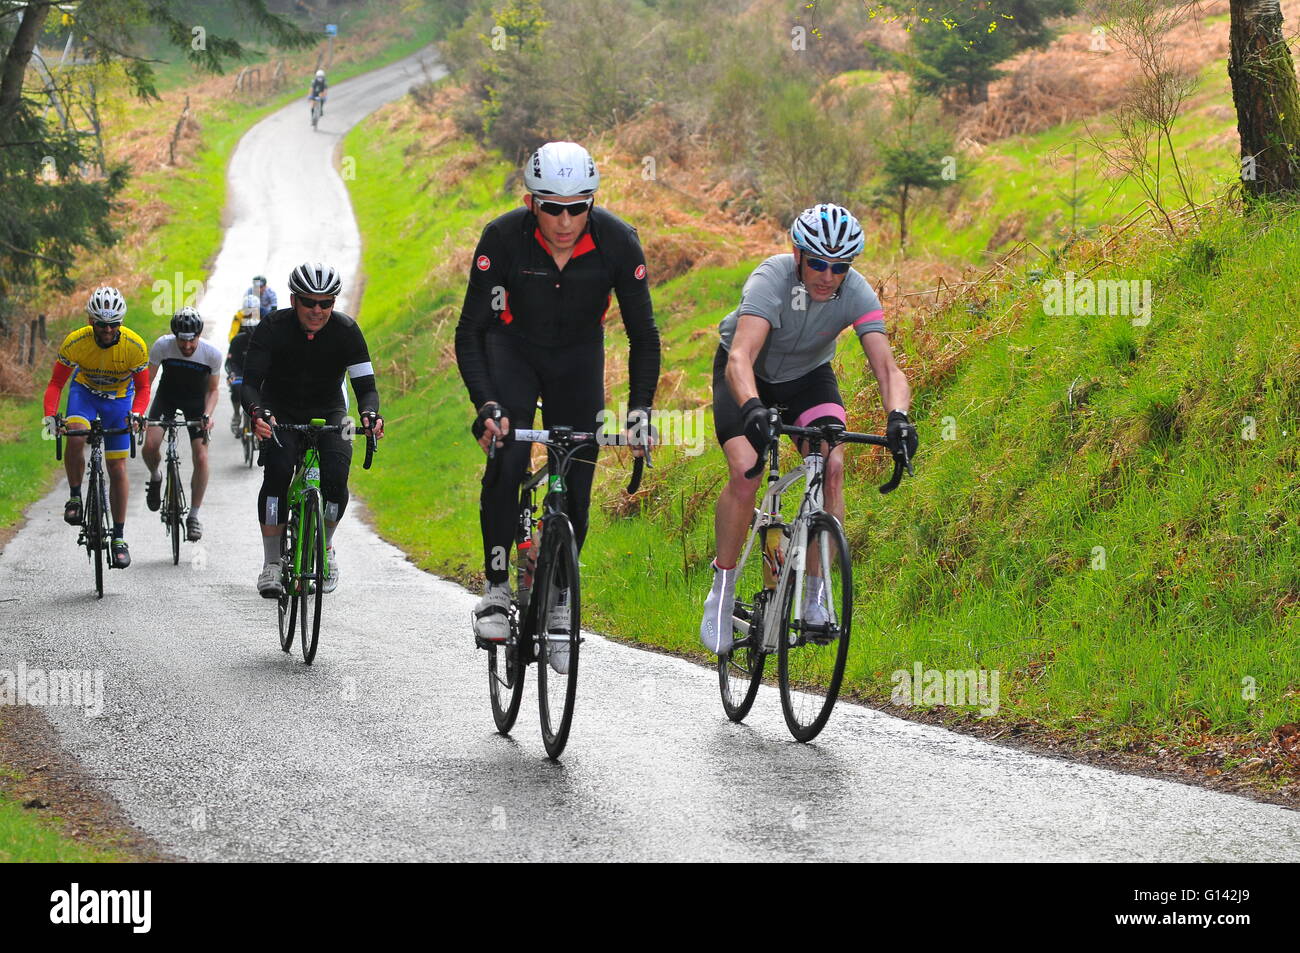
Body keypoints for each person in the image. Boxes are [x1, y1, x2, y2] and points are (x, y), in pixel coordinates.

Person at [454, 141, 661, 672]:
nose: (565, 220)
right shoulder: (501, 239)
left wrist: (640, 410)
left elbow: (644, 335)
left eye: (578, 206)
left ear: (591, 203)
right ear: (531, 203)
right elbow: (470, 330)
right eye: (552, 207)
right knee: (506, 457)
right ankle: (497, 586)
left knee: (579, 475)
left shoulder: (619, 241)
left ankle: (562, 598)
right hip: (512, 351)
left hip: (578, 359)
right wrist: (487, 405)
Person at [698, 203, 917, 654]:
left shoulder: (857, 293)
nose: (827, 276)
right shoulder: (770, 279)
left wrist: (898, 417)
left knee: (832, 464)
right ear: (797, 253)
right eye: (817, 262)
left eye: (839, 267)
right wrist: (754, 406)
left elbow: (888, 370)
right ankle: (720, 596)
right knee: (747, 471)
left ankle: (816, 594)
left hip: (807, 378)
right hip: (747, 374)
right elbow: (740, 357)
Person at [241, 262, 384, 597]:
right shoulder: (272, 328)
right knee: (277, 472)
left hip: (331, 409)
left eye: (326, 303)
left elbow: (366, 386)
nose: (318, 310)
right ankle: (272, 564)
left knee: (336, 476)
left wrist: (369, 413)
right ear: (294, 300)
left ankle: (328, 547)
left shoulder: (347, 330)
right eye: (309, 302)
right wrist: (258, 413)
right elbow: (249, 384)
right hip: (280, 408)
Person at [41, 287, 151, 569]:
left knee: (117, 468)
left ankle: (118, 537)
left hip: (118, 402)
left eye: (114, 324)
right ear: (91, 320)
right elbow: (55, 384)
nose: (107, 329)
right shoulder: (75, 342)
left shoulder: (135, 346)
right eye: (101, 324)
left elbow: (143, 388)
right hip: (85, 395)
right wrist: (51, 417)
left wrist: (137, 414)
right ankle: (75, 497)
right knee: (75, 437)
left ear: (121, 322)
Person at [142, 308, 221, 541]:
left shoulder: (211, 354)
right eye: (182, 341)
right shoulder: (162, 346)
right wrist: (138, 412)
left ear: (199, 335)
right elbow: (147, 383)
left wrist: (207, 414)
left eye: (191, 341)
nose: (187, 346)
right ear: (174, 336)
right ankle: (156, 476)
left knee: (202, 457)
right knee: (150, 446)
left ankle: (194, 515)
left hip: (196, 404)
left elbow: (214, 390)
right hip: (167, 398)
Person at [226, 308, 258, 436]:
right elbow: (229, 362)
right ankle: (236, 414)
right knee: (236, 387)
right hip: (239, 370)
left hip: (256, 371)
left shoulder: (264, 340)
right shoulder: (237, 341)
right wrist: (232, 375)